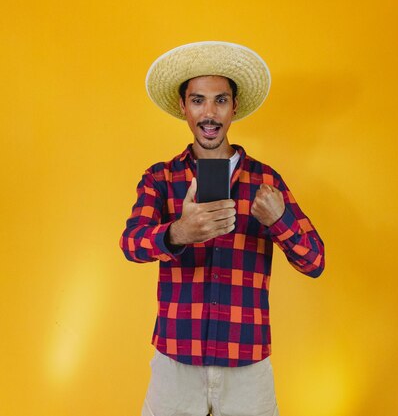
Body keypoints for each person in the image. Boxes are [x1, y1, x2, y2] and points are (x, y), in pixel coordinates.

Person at [120, 41, 325, 416]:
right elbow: (131, 243)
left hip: (246, 364)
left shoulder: (266, 181)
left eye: (220, 100)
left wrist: (279, 221)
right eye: (198, 100)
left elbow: (315, 261)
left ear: (234, 107)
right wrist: (178, 232)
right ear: (183, 106)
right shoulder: (160, 178)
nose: (209, 113)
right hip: (176, 362)